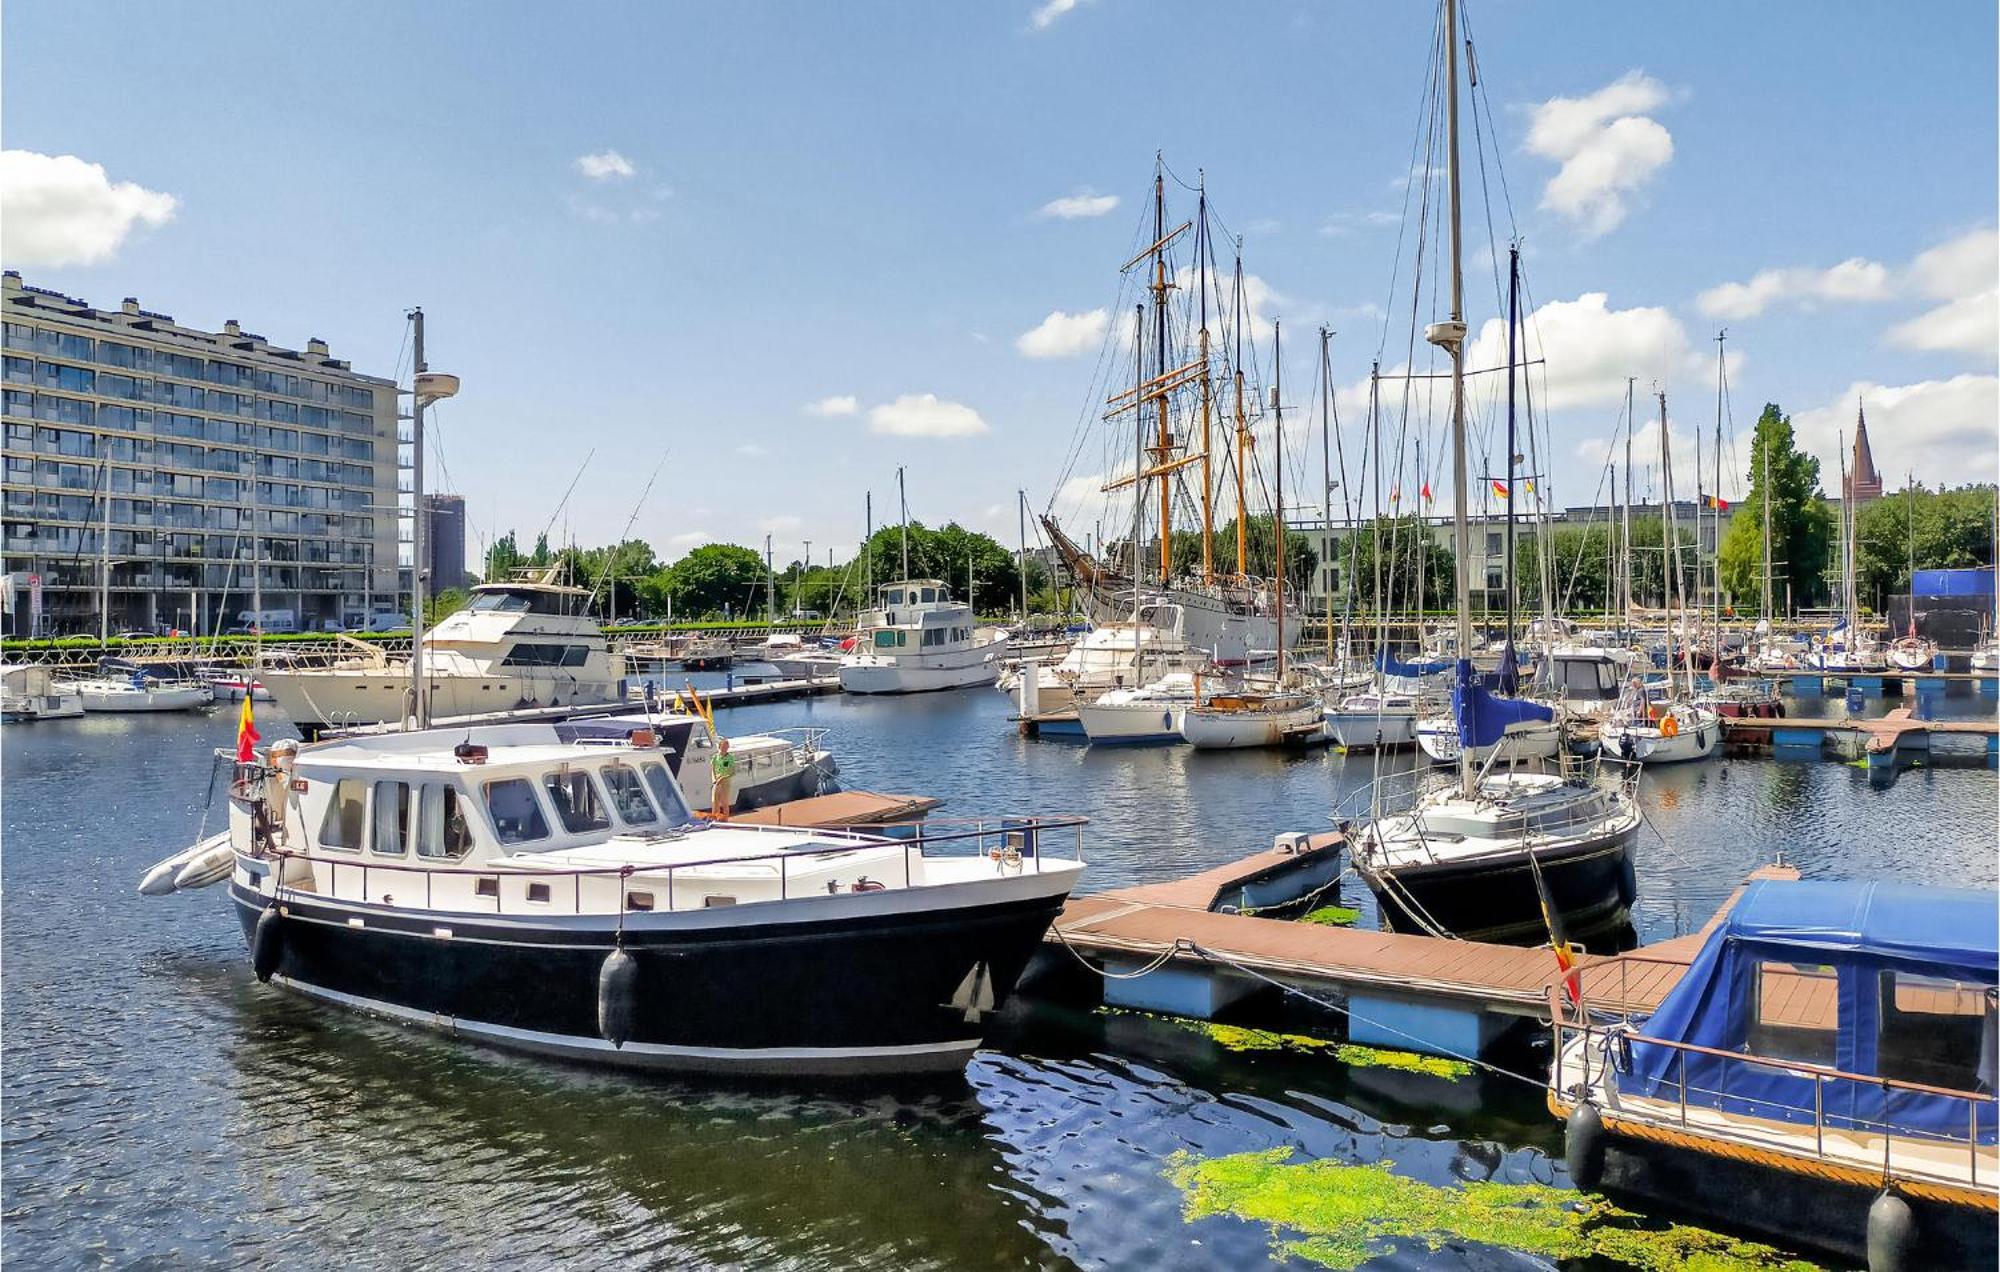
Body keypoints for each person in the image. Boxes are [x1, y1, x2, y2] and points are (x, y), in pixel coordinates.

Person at [710, 736, 739, 820]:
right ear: (719, 747)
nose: (725, 748)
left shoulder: (730, 758)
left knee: (724, 802)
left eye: (726, 747)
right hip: (716, 782)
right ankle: (714, 818)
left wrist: (722, 778)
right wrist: (714, 779)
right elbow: (712, 769)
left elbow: (732, 772)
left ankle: (725, 819)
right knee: (714, 802)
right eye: (723, 746)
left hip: (725, 782)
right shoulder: (715, 757)